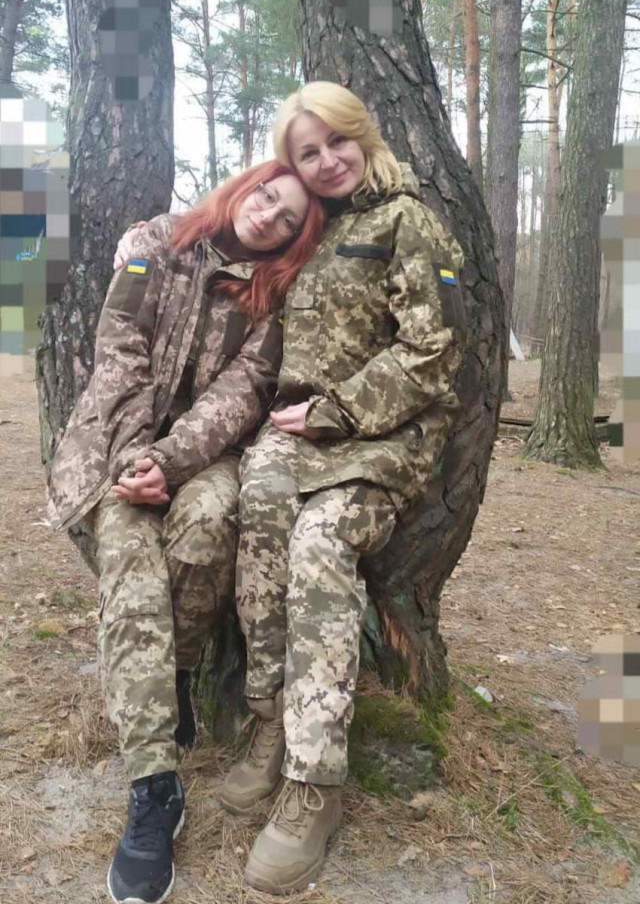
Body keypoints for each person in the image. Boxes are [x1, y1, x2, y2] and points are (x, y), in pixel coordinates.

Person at [47, 160, 324, 904]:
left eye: (289, 220)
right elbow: (117, 356)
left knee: (206, 524)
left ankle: (172, 674)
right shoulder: (156, 244)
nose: (268, 216)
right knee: (133, 555)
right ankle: (155, 786)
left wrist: (169, 462)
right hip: (113, 446)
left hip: (204, 458)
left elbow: (241, 396)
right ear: (245, 185)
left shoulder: (273, 299)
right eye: (267, 195)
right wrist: (136, 459)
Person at [218, 82, 467, 895]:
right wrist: (145, 242)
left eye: (336, 143)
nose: (326, 162)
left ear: (363, 135)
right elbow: (229, 239)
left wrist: (339, 411)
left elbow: (435, 352)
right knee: (258, 505)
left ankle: (314, 782)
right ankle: (270, 720)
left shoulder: (407, 221)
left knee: (321, 541)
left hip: (381, 436)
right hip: (300, 432)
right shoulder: (309, 228)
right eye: (307, 152)